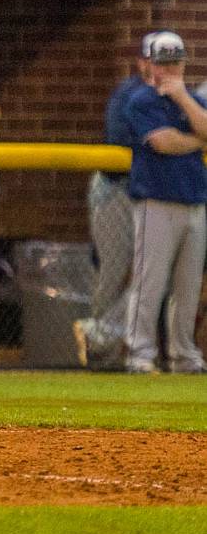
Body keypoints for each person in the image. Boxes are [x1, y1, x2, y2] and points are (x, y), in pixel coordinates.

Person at [121, 32, 207, 374]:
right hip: (154, 201)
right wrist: (197, 141)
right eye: (163, 63)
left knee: (187, 287)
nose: (169, 69)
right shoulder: (140, 101)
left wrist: (183, 97)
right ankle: (139, 354)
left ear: (184, 64)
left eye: (175, 62)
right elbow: (163, 143)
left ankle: (183, 354)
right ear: (150, 66)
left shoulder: (193, 100)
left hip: (195, 202)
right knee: (149, 282)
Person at [75, 32, 157, 369]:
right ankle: (100, 351)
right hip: (115, 189)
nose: (160, 67)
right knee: (113, 271)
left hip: (149, 192)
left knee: (149, 274)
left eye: (168, 61)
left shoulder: (174, 97)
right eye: (154, 60)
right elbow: (125, 138)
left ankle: (98, 335)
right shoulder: (130, 93)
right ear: (141, 62)